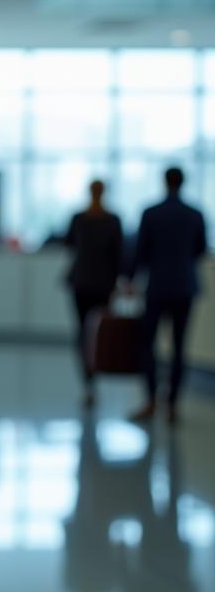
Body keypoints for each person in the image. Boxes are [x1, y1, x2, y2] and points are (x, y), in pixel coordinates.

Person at [127, 167, 208, 424]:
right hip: (184, 286)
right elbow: (200, 249)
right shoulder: (195, 214)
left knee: (146, 344)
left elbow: (140, 252)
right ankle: (172, 404)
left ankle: (151, 400)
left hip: (158, 287)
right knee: (179, 346)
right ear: (183, 183)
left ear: (164, 182)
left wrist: (129, 279)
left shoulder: (151, 213)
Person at [64, 179, 123, 407]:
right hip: (103, 284)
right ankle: (96, 373)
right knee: (98, 334)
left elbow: (69, 244)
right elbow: (118, 255)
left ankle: (88, 382)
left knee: (82, 331)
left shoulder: (79, 219)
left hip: (81, 281)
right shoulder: (112, 220)